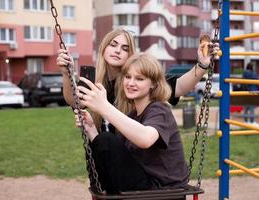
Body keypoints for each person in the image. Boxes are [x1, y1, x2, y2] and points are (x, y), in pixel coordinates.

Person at [57, 29, 220, 132]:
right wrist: (67, 74)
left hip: (133, 161)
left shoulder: (137, 83)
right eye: (113, 45)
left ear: (130, 55)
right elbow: (75, 101)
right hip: (103, 161)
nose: (118, 50)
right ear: (104, 48)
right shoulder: (94, 81)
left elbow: (178, 87)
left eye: (125, 48)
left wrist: (202, 65)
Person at [75, 53, 189, 194]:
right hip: (144, 185)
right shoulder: (133, 116)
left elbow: (146, 139)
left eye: (139, 79)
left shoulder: (160, 110)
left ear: (153, 84)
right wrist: (91, 129)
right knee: (104, 142)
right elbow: (117, 155)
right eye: (128, 77)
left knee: (107, 140)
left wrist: (104, 107)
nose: (130, 83)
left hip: (164, 190)